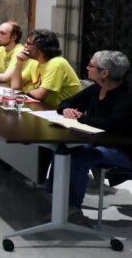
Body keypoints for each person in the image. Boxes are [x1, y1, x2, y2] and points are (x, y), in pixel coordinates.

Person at [53, 50, 132, 211]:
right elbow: (66, 102)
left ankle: (72, 208)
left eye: (91, 65)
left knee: (80, 158)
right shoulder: (96, 88)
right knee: (63, 149)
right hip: (98, 141)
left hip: (123, 148)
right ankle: (55, 198)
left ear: (104, 73)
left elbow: (111, 124)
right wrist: (68, 110)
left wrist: (81, 118)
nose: (87, 67)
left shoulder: (126, 96)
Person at [11, 29, 81, 108]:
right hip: (47, 109)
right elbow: (15, 86)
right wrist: (19, 63)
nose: (25, 46)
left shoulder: (56, 63)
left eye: (28, 43)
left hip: (66, 114)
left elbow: (40, 95)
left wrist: (25, 92)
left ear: (39, 47)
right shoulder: (35, 62)